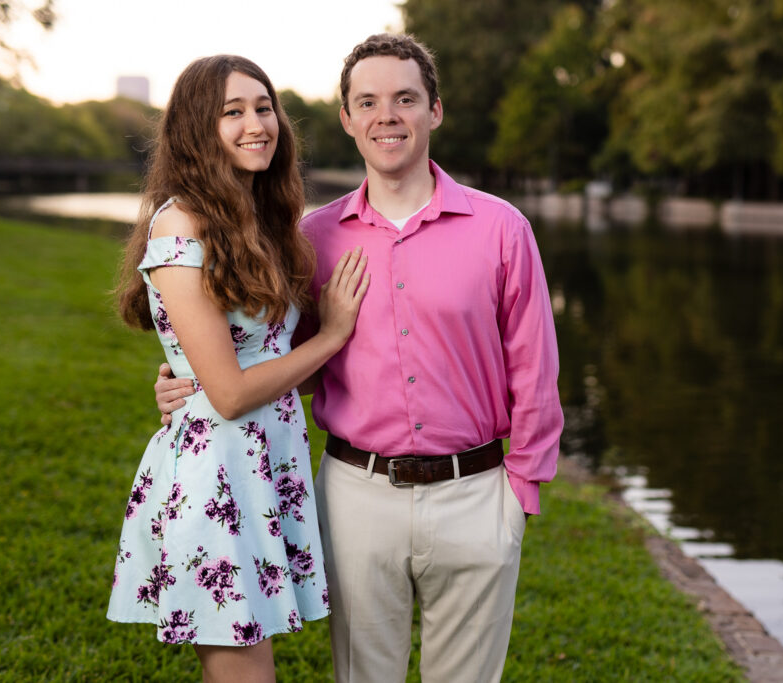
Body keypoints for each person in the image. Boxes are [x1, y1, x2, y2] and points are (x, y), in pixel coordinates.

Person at [156, 34, 563, 682]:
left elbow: (536, 371)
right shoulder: (313, 238)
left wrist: (520, 492)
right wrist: (188, 380)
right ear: (346, 118)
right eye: (367, 101)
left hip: (477, 496)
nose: (387, 116)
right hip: (355, 498)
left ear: (435, 109)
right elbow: (276, 359)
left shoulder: (501, 228)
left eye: (405, 98)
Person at [107, 54, 369, 683]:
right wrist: (332, 335)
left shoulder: (260, 218)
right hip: (216, 477)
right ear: (199, 129)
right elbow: (227, 394)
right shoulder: (180, 223)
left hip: (260, 464)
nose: (258, 123)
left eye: (263, 107)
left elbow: (272, 365)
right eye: (233, 112)